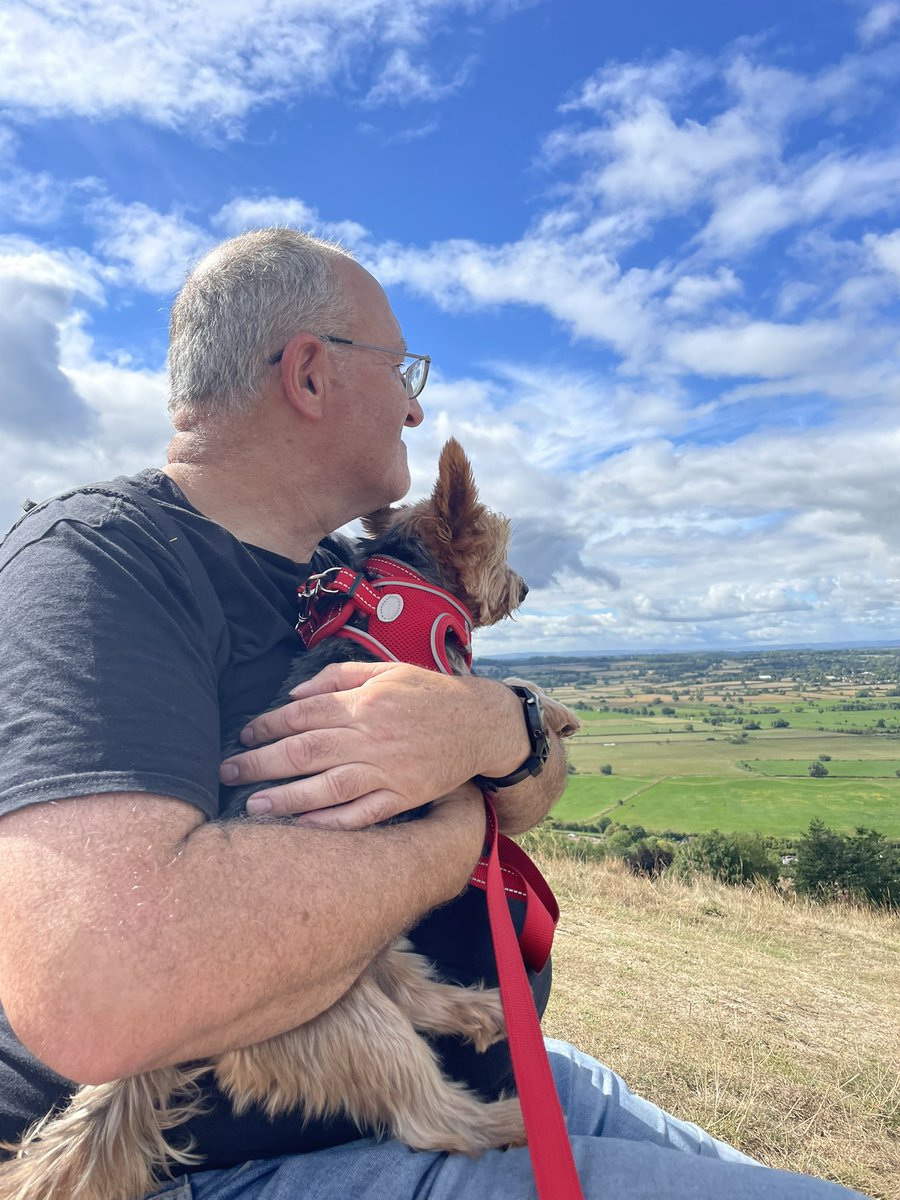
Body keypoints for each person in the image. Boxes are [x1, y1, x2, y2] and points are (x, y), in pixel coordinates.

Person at [0, 229, 867, 1200]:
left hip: (477, 1071)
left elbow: (532, 792)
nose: (416, 404)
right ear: (312, 374)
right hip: (232, 1160)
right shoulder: (97, 567)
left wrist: (494, 725)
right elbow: (95, 999)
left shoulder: (348, 577)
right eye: (401, 368)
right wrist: (456, 823)